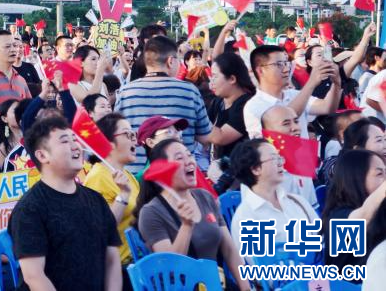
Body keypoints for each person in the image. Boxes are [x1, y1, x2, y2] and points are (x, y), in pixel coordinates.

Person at [10, 116, 122, 291]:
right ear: (42, 155)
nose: (76, 146)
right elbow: (34, 276)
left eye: (75, 139)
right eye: (64, 141)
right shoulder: (29, 209)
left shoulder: (96, 200)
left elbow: (112, 259)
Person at [135, 139, 248, 290]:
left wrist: (246, 287)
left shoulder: (204, 196)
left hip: (216, 284)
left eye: (189, 155)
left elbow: (229, 249)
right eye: (179, 158)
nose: (189, 161)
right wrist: (186, 226)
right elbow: (172, 269)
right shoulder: (151, 212)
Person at [114, 36, 212, 173]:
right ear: (171, 61)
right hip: (178, 175)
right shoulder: (189, 91)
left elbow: (116, 135)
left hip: (135, 177)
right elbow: (206, 138)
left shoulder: (125, 92)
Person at [228, 139, 318, 248]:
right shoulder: (245, 217)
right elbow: (256, 258)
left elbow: (322, 238)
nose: (281, 163)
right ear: (255, 169)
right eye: (274, 158)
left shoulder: (297, 202)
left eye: (280, 158)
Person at [245, 44, 340, 139]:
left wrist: (336, 83)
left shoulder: (295, 95)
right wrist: (311, 83)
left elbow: (327, 107)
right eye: (279, 64)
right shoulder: (254, 106)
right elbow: (283, 121)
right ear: (260, 71)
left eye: (286, 63)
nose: (286, 69)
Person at [83, 112, 140, 267]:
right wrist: (123, 196)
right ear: (108, 142)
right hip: (118, 267)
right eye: (127, 134)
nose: (134, 139)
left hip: (139, 260)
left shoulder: (128, 175)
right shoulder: (98, 177)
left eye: (133, 134)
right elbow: (101, 229)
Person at [321, 149, 386, 274]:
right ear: (356, 179)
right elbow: (363, 219)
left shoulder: (380, 210)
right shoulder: (339, 216)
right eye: (379, 174)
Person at [208, 52, 254, 161]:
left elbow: (220, 137)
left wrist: (195, 110)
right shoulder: (218, 102)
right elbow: (204, 134)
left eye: (215, 76)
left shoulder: (247, 104)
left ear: (232, 79)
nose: (211, 81)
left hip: (240, 168)